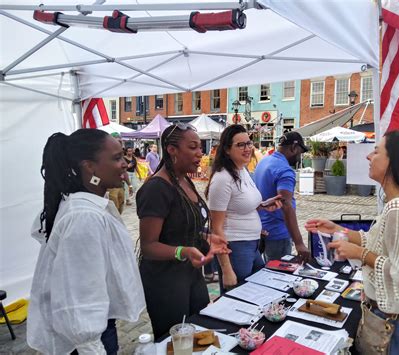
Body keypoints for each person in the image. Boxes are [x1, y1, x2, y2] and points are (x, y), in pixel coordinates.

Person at [306, 131, 399, 354]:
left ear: (396, 162)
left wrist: (359, 253)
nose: (369, 156)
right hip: (398, 325)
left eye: (377, 151)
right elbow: (379, 242)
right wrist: (340, 230)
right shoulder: (398, 204)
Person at [27, 129, 145, 355]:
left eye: (123, 156)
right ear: (89, 167)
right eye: (116, 158)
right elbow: (79, 296)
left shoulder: (87, 206)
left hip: (97, 330)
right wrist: (92, 346)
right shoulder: (84, 217)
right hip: (86, 342)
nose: (125, 164)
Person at [137, 123, 230, 339]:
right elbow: (148, 246)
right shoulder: (156, 189)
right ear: (172, 150)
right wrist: (184, 252)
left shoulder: (184, 179)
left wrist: (207, 236)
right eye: (193, 147)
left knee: (198, 332)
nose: (200, 153)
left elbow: (182, 226)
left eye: (200, 147)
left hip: (190, 275)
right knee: (176, 341)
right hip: (165, 281)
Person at [205, 125, 282, 291]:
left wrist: (262, 206)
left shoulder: (242, 170)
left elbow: (239, 205)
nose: (248, 148)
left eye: (249, 143)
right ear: (226, 149)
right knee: (239, 298)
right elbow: (216, 228)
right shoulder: (222, 179)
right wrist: (226, 269)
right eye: (240, 145)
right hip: (236, 247)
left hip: (252, 245)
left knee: (257, 292)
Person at [254, 131, 311, 262]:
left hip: (262, 229)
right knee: (277, 277)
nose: (299, 157)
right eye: (300, 152)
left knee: (267, 272)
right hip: (278, 234)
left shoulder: (264, 161)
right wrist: (299, 243)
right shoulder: (285, 170)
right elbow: (286, 205)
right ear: (293, 148)